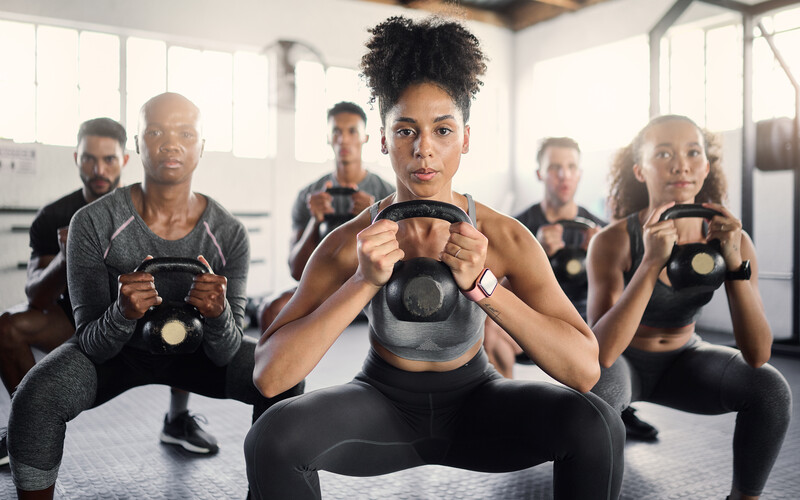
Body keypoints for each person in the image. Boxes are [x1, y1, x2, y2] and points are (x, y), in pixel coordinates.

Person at [244, 16, 623, 500]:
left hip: (478, 404)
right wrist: (362, 281)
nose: (424, 149)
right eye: (405, 131)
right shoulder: (348, 242)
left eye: (442, 130)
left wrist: (483, 284)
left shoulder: (505, 237)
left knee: (597, 425)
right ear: (382, 139)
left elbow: (584, 369)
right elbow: (271, 374)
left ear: (465, 137)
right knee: (273, 436)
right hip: (380, 404)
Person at [6, 93, 303, 499]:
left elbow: (226, 352)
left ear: (201, 147)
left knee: (285, 376)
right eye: (156, 131)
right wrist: (122, 312)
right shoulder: (92, 222)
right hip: (116, 355)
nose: (170, 143)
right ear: (138, 144)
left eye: (185, 132)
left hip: (197, 355)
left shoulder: (228, 233)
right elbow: (90, 343)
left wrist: (217, 315)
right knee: (36, 398)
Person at [587, 115, 791, 500]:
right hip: (624, 364)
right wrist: (649, 263)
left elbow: (758, 352)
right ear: (640, 171)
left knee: (770, 389)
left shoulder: (731, 238)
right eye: (663, 154)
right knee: (595, 391)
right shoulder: (612, 241)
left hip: (687, 362)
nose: (681, 164)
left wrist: (734, 263)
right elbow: (602, 352)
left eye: (693, 153)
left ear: (706, 167)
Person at [0, 118, 219, 466]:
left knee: (184, 310)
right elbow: (36, 297)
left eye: (109, 159)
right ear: (76, 159)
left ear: (125, 160)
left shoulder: (151, 208)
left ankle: (177, 420)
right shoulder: (53, 216)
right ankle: (24, 425)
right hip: (73, 321)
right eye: (89, 159)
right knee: (7, 326)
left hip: (141, 323)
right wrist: (65, 255)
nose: (98, 169)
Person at [257, 101, 394, 331]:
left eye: (352, 131)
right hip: (327, 290)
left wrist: (374, 216)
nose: (344, 139)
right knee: (270, 310)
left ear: (365, 137)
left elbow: (404, 259)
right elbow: (296, 270)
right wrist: (315, 220)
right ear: (328, 138)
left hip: (374, 290)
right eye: (337, 131)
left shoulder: (388, 193)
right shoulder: (309, 196)